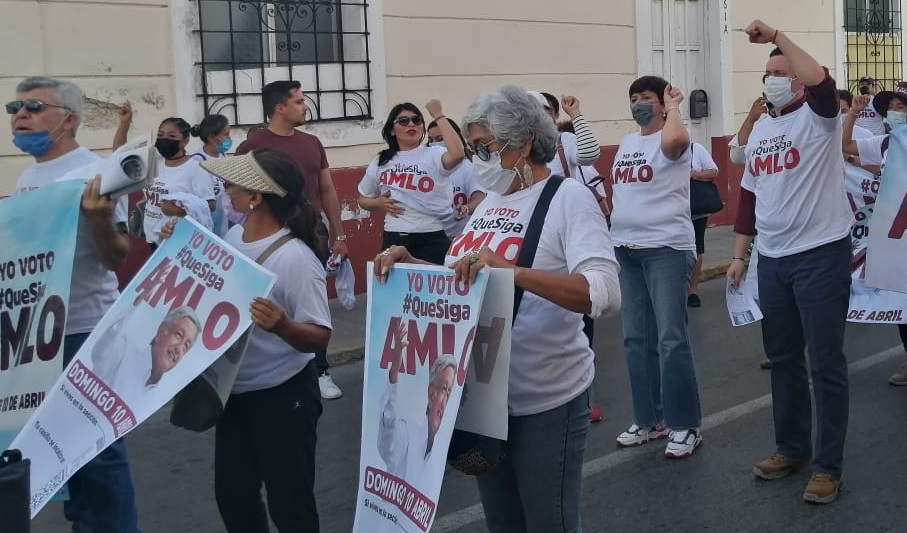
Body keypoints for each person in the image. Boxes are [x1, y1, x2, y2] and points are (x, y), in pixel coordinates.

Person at [374, 85, 620, 533]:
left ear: (523, 143)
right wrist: (415, 265)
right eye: (472, 148)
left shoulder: (567, 199)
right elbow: (468, 280)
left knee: (551, 523)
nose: (476, 160)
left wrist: (515, 272)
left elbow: (602, 292)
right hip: (483, 400)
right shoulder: (489, 203)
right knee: (503, 523)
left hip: (545, 397)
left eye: (485, 147)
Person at [727, 20, 852, 504]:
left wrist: (778, 36)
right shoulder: (761, 130)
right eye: (768, 72)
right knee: (783, 360)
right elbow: (750, 201)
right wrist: (740, 255)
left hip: (821, 255)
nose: (773, 77)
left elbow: (822, 83)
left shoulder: (820, 117)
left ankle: (828, 465)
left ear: (798, 79)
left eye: (781, 71)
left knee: (825, 363)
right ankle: (792, 448)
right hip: (773, 261)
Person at [174, 148, 332, 532]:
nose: (226, 190)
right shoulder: (233, 234)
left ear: (256, 197)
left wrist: (283, 327)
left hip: (283, 394)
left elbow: (320, 335)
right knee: (234, 496)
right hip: (234, 394)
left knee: (290, 502)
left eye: (232, 184)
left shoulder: (295, 259)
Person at [10, 76, 140, 532]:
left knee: (97, 452)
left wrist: (102, 219)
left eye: (32, 107)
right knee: (58, 451)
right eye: (14, 107)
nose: (19, 115)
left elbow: (115, 257)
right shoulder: (28, 177)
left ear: (68, 119)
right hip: (35, 337)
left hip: (84, 329)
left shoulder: (95, 174)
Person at [234, 80, 348, 400]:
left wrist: (339, 233)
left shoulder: (312, 142)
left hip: (311, 234)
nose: (304, 106)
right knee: (270, 303)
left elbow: (327, 190)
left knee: (313, 305)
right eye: (298, 101)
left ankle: (320, 370)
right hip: (269, 239)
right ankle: (270, 365)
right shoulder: (252, 146)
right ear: (279, 107)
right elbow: (240, 194)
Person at [609, 75, 703, 458]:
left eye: (646, 97)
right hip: (627, 250)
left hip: (665, 249)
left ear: (662, 103)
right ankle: (649, 420)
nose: (638, 103)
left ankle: (685, 425)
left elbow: (676, 142)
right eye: (633, 98)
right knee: (636, 341)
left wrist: (676, 106)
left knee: (671, 340)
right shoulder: (629, 142)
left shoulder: (674, 136)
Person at [841, 84, 907, 387]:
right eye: (891, 106)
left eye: (901, 106)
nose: (895, 112)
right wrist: (852, 114)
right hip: (895, 239)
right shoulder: (885, 143)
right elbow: (846, 147)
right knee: (899, 301)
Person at [357, 100, 465, 264]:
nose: (411, 124)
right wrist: (378, 203)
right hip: (394, 236)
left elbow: (458, 154)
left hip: (431, 237)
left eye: (417, 120)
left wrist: (438, 115)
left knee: (435, 287)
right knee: (394, 288)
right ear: (392, 130)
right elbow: (362, 199)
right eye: (403, 121)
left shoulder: (434, 154)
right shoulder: (381, 160)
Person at [114, 113, 216, 248]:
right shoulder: (153, 162)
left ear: (185, 141)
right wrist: (124, 124)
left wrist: (179, 211)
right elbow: (119, 155)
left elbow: (210, 205)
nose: (165, 139)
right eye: (160, 135)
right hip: (153, 239)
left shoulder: (196, 169)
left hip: (179, 241)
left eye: (172, 136)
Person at [378, 323, 456, 495]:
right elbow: (388, 436)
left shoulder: (439, 448)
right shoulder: (407, 433)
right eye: (444, 389)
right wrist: (395, 367)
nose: (445, 401)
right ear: (430, 393)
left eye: (449, 392)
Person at [91, 306, 200, 417]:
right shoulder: (123, 351)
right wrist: (133, 305)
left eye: (186, 346)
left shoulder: (154, 397)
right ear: (161, 332)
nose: (179, 348)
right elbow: (102, 350)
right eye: (178, 335)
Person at [425, 118, 485, 240]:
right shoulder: (426, 168)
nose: (434, 144)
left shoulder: (467, 166)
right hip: (430, 237)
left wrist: (466, 208)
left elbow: (479, 197)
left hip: (459, 238)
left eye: (440, 139)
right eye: (431, 140)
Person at [189, 114, 234, 235]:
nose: (229, 138)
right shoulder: (197, 162)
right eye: (226, 134)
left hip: (225, 223)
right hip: (206, 227)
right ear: (212, 138)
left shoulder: (223, 156)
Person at [687, 142, 720, 308]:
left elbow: (714, 171)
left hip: (696, 210)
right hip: (672, 212)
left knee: (697, 248)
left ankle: (693, 291)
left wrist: (695, 174)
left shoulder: (696, 149)